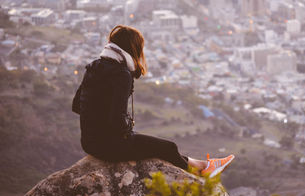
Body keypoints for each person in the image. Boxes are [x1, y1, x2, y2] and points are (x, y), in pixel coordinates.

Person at [72, 25, 234, 178]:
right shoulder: (121, 75)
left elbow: (77, 105)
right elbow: (116, 120)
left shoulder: (94, 66)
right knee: (168, 147)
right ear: (133, 49)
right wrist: (127, 126)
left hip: (89, 142)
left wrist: (99, 115)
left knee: (161, 148)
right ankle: (198, 175)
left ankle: (203, 165)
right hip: (110, 146)